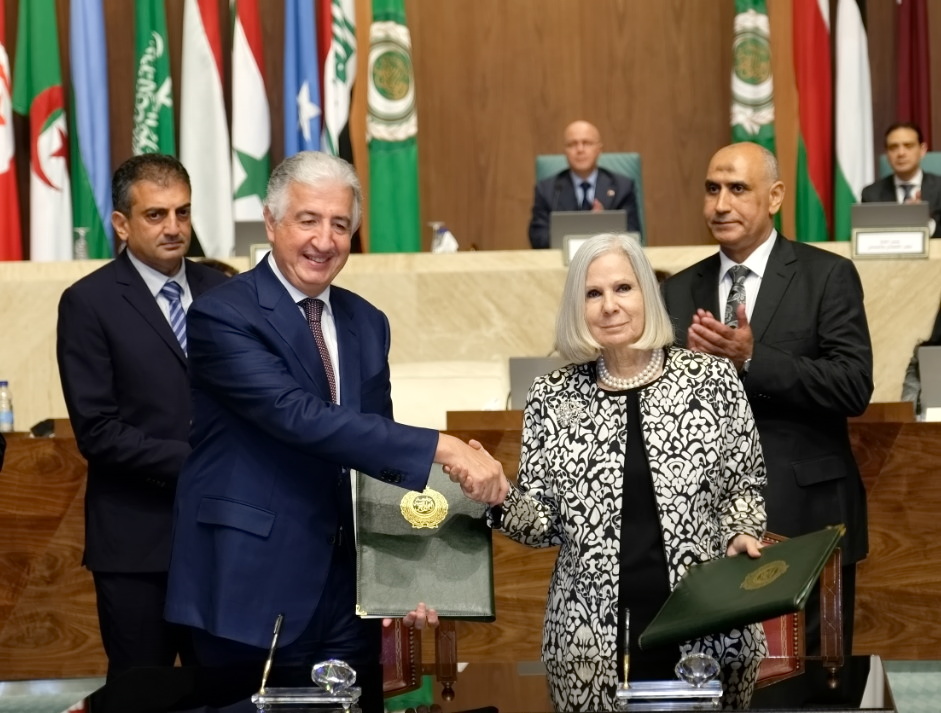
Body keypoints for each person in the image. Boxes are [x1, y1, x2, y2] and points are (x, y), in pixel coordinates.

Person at [163, 151, 505, 712]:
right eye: (308, 220)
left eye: (340, 224)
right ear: (271, 222)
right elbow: (297, 416)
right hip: (248, 586)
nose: (324, 240)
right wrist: (441, 446)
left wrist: (406, 578)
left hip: (349, 596)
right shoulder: (223, 314)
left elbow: (375, 453)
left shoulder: (366, 322)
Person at [469, 232, 767, 710]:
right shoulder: (551, 396)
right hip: (587, 644)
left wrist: (741, 531)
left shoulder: (711, 380)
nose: (610, 305)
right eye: (594, 293)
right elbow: (543, 523)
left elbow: (743, 484)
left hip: (708, 633)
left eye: (623, 288)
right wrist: (500, 495)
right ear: (578, 306)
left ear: (647, 292)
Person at [662, 142, 873, 654]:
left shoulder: (826, 276)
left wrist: (754, 358)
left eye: (738, 189)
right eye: (712, 189)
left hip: (806, 517)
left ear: (775, 196)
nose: (721, 204)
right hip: (705, 523)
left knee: (811, 677)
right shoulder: (677, 290)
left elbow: (852, 384)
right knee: (711, 675)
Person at [56, 154, 230, 678]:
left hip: (223, 538)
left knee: (227, 691)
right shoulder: (88, 303)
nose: (174, 227)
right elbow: (97, 430)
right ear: (121, 224)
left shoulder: (228, 293)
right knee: (141, 693)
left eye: (183, 212)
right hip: (136, 545)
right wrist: (199, 463)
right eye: (156, 215)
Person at [528, 120, 642, 249]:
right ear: (565, 151)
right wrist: (582, 228)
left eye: (586, 143)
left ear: (599, 149)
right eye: (572, 144)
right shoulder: (546, 189)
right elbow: (538, 238)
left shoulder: (622, 187)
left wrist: (605, 224)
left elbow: (634, 236)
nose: (580, 149)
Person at [861, 121, 941, 237]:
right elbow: (866, 238)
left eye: (908, 146)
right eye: (893, 147)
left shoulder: (939, 188)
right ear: (887, 153)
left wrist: (927, 222)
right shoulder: (871, 194)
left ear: (922, 150)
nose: (901, 153)